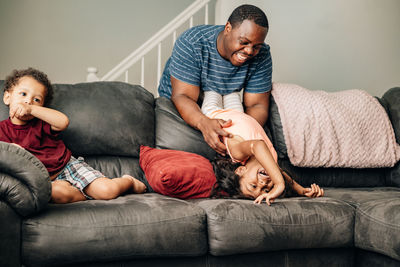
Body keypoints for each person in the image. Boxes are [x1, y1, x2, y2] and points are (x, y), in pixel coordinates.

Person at [0, 68, 147, 204]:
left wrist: (31, 109)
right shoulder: (2, 130)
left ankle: (129, 182)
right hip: (45, 180)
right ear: (7, 97)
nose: (28, 101)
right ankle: (83, 194)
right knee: (56, 193)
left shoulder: (42, 121)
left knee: (107, 191)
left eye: (36, 99)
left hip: (67, 167)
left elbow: (63, 122)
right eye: (23, 94)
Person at [158, 4, 272, 156]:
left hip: (222, 102)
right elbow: (183, 96)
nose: (249, 51)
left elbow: (257, 105)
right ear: (228, 28)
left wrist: (240, 132)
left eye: (256, 46)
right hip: (182, 106)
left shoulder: (262, 54)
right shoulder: (192, 43)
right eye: (244, 42)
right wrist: (204, 123)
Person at [208, 109, 324, 204]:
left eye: (253, 186)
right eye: (266, 189)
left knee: (213, 92)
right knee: (232, 91)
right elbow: (283, 175)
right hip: (237, 111)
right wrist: (303, 191)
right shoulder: (269, 161)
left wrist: (278, 184)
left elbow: (258, 145)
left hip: (214, 112)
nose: (263, 185)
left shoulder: (238, 154)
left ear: (241, 170)